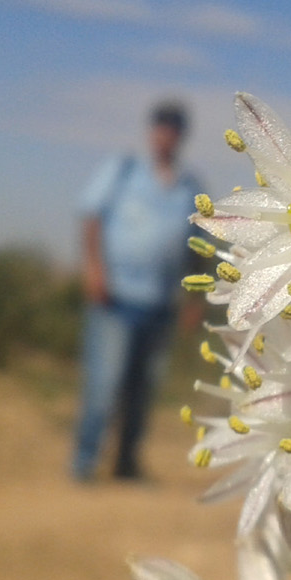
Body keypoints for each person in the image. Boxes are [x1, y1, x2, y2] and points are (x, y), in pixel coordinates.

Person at [72, 101, 204, 481]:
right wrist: (94, 270)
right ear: (151, 132)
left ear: (181, 136)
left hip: (160, 304)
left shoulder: (190, 187)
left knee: (143, 391)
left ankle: (126, 464)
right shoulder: (124, 170)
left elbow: (200, 245)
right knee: (103, 384)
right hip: (115, 299)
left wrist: (194, 299)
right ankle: (84, 463)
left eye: (174, 127)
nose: (167, 133)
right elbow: (91, 216)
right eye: (161, 126)